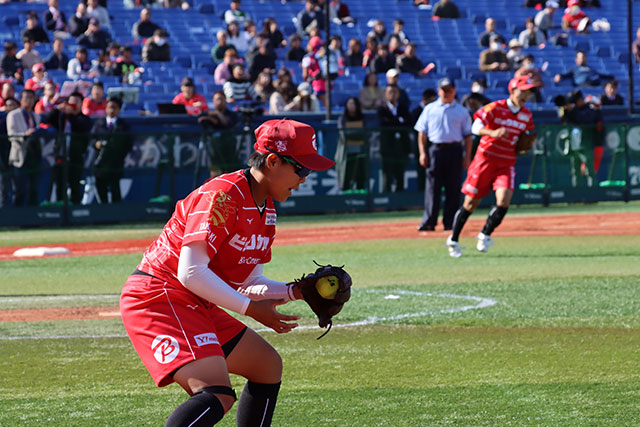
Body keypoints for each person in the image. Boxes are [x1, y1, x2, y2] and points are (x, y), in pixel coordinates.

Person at [120, 118, 335, 427]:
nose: (305, 179)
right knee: (216, 392)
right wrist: (251, 311)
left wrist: (294, 291)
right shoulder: (223, 195)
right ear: (273, 161)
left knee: (266, 366)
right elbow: (190, 272)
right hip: (159, 295)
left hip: (193, 300)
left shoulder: (267, 209)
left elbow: (248, 282)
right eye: (301, 169)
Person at [446, 76, 536, 258]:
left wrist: (525, 145)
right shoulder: (495, 107)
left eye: (528, 92)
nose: (526, 95)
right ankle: (453, 240)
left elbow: (526, 136)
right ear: (512, 90)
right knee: (470, 204)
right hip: (485, 160)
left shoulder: (526, 115)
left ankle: (485, 234)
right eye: (522, 91)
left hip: (506, 161)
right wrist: (493, 132)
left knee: (504, 200)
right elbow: (475, 126)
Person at [414, 78, 472, 231]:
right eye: (444, 90)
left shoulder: (462, 111)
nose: (446, 93)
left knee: (453, 188)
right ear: (438, 91)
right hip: (436, 150)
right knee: (432, 187)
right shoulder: (430, 109)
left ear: (454, 91)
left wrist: (467, 157)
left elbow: (468, 136)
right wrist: (422, 153)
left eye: (449, 90)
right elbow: (422, 133)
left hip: (454, 150)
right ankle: (429, 221)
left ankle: (451, 222)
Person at [44, 91, 93, 205]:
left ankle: (76, 209)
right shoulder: (62, 116)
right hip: (60, 155)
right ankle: (60, 208)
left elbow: (82, 126)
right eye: (72, 102)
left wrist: (72, 115)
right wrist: (58, 109)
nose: (74, 104)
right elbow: (48, 119)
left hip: (75, 156)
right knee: (60, 184)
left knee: (74, 183)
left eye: (77, 102)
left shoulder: (84, 119)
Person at [90, 97, 132, 203]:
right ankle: (103, 217)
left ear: (119, 109)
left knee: (115, 190)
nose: (111, 110)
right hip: (101, 163)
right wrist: (97, 144)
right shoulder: (99, 124)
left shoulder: (123, 126)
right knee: (101, 190)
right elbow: (91, 139)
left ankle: (116, 216)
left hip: (115, 164)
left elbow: (128, 144)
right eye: (109, 107)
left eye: (114, 108)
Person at [7, 89, 41, 207]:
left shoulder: (36, 116)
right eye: (26, 98)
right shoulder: (13, 115)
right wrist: (25, 135)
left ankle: (33, 218)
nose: (28, 100)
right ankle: (18, 218)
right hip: (19, 156)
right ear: (21, 100)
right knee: (19, 188)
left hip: (33, 156)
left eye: (31, 98)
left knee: (34, 188)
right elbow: (11, 135)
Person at [197, 90, 241, 177]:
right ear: (213, 102)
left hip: (230, 155)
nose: (219, 102)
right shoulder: (209, 114)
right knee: (216, 181)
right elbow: (200, 119)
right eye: (217, 99)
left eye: (221, 99)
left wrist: (214, 120)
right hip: (215, 156)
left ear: (225, 101)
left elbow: (227, 124)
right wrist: (212, 118)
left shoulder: (232, 114)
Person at [377, 85, 411, 192]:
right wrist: (399, 121)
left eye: (395, 92)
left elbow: (408, 123)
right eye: (390, 92)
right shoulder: (382, 109)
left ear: (399, 94)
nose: (393, 94)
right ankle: (386, 201)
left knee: (400, 173)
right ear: (386, 95)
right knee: (387, 174)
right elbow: (384, 123)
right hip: (387, 146)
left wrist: (395, 121)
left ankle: (400, 200)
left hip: (401, 146)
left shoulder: (403, 108)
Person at [335, 96, 367, 192]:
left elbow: (365, 133)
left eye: (353, 104)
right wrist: (357, 132)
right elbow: (344, 134)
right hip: (346, 152)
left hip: (360, 151)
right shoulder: (342, 119)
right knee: (346, 176)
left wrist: (353, 132)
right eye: (349, 104)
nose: (352, 106)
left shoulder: (363, 118)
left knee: (360, 176)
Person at [410, 88, 437, 192]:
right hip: (421, 147)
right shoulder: (416, 112)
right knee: (421, 171)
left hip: (433, 146)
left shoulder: (434, 111)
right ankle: (421, 192)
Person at [0, 96, 19, 208]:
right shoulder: (1, 121)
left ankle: (16, 212)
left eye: (14, 105)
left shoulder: (22, 118)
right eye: (9, 105)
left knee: (18, 186)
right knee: (3, 186)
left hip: (17, 157)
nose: (11, 108)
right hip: (3, 157)